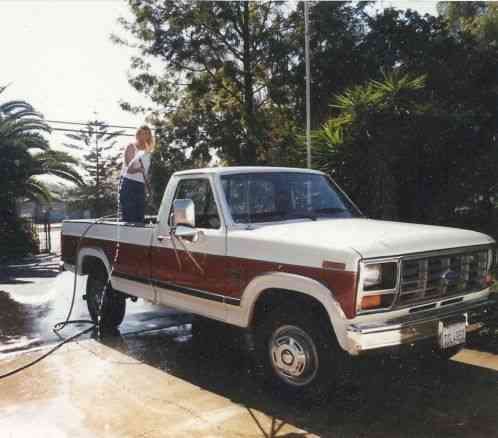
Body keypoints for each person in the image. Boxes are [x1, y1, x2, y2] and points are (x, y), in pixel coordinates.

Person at [119, 125, 154, 223]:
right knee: (129, 217)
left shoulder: (148, 152)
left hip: (140, 185)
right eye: (141, 133)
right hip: (129, 184)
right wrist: (139, 169)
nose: (144, 136)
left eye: (147, 134)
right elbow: (128, 169)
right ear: (137, 135)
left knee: (140, 217)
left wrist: (147, 187)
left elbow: (146, 172)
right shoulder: (131, 146)